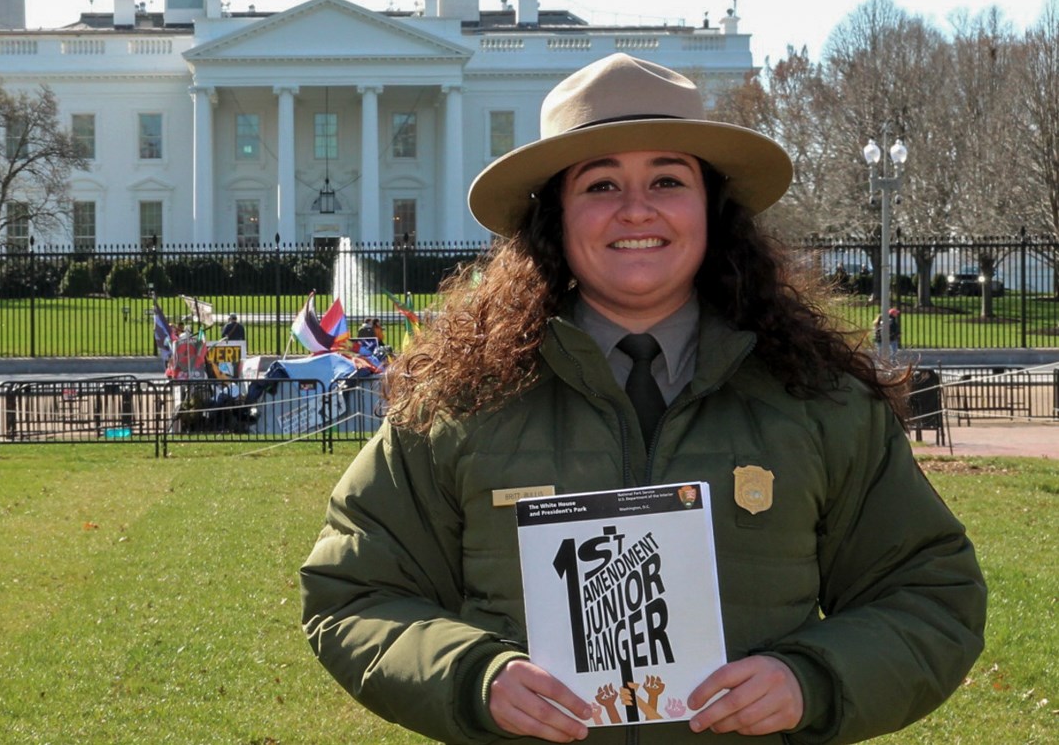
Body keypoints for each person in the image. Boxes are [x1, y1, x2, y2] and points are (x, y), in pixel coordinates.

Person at [300, 54, 985, 745]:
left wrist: (808, 680)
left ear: (710, 209)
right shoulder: (461, 403)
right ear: (554, 217)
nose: (636, 209)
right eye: (600, 184)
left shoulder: (816, 400)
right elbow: (353, 594)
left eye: (666, 179)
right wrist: (476, 677)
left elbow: (929, 596)